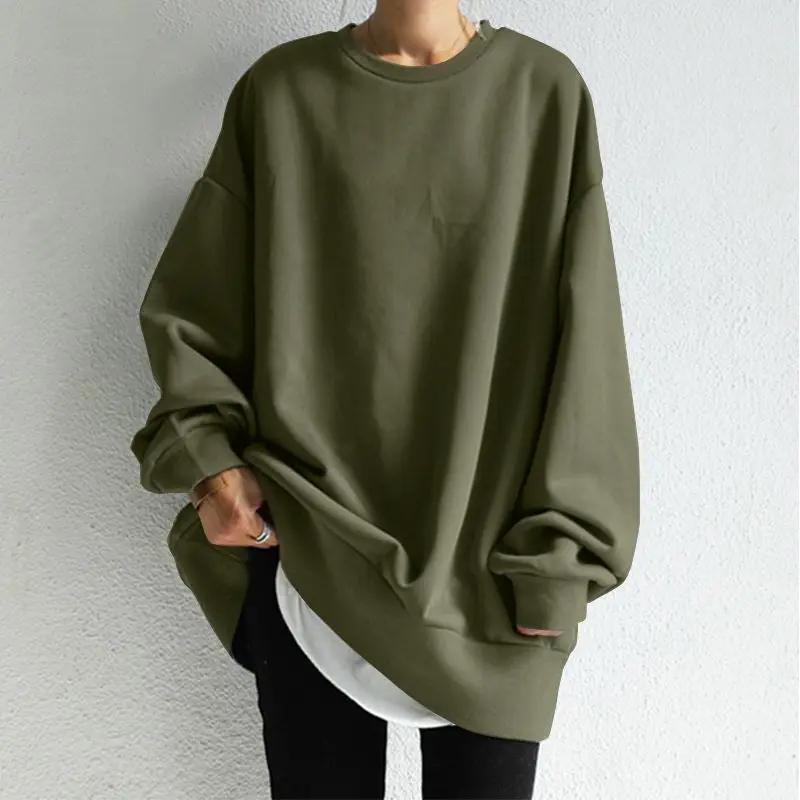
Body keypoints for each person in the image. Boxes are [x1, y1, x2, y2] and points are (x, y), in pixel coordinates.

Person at [130, 1, 640, 798]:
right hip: (309, 557)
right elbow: (195, 310)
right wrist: (210, 469)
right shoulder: (280, 95)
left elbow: (587, 352)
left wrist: (560, 562)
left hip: (497, 581)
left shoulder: (544, 95)